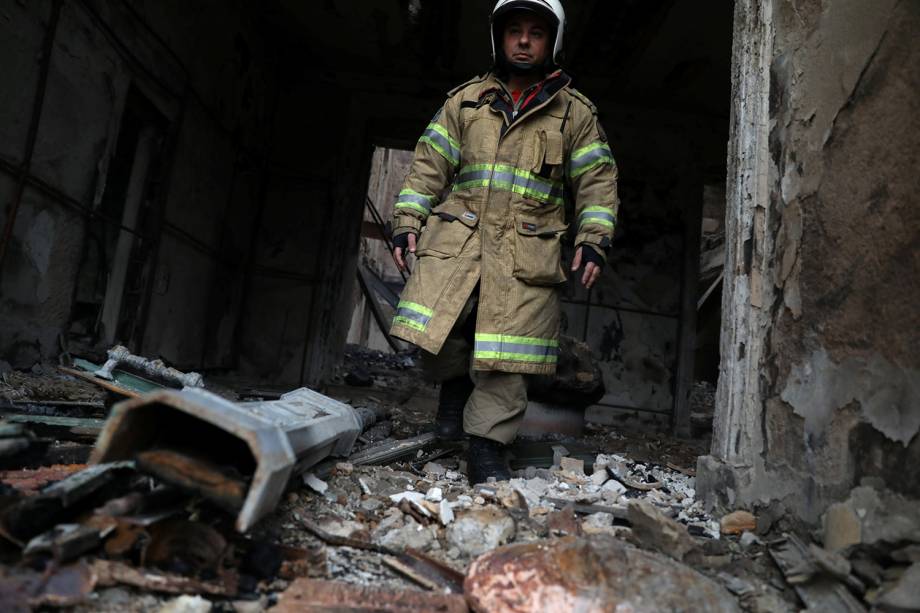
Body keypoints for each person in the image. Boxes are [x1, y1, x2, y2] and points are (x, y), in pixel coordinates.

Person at [389, 0, 618, 484]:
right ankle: (453, 392)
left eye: (536, 32)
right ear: (498, 37)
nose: (523, 40)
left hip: (525, 253)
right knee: (444, 325)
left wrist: (593, 239)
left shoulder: (573, 113)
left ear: (551, 42)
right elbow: (429, 165)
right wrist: (408, 219)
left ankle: (487, 447)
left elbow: (597, 181)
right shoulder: (465, 102)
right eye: (513, 30)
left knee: (507, 353)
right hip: (459, 242)